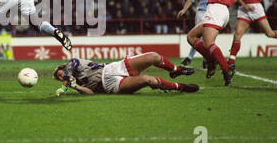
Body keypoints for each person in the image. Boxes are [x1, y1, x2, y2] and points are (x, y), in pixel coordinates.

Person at [184, 0, 243, 86]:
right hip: (222, 11)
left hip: (216, 9)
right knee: (191, 37)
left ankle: (226, 69)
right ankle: (211, 60)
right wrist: (227, 2)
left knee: (209, 43)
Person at [53, 53, 198, 96]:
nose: (62, 77)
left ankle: (175, 70)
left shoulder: (73, 64)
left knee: (153, 57)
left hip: (111, 68)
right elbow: (90, 93)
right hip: (110, 85)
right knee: (149, 80)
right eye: (59, 77)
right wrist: (75, 87)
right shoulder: (73, 81)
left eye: (60, 74)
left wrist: (64, 86)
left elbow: (70, 67)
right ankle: (180, 87)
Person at [227, 0, 277, 69]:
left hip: (256, 7)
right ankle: (231, 61)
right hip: (244, 9)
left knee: (269, 33)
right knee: (237, 34)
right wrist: (244, 5)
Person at [177, 0, 209, 67]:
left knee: (208, 37)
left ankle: (203, 59)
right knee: (197, 37)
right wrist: (184, 10)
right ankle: (193, 58)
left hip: (213, 12)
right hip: (202, 12)